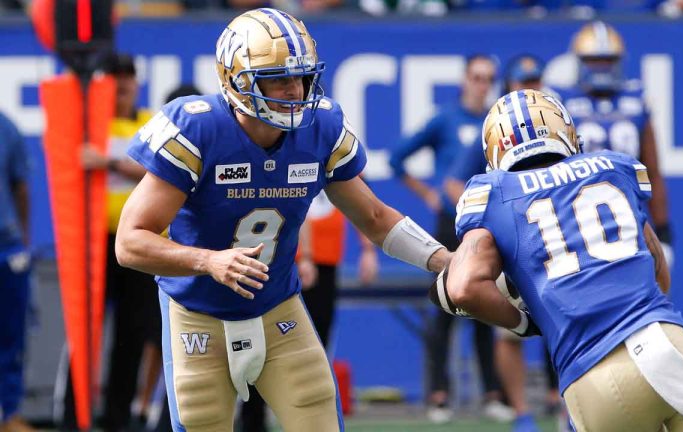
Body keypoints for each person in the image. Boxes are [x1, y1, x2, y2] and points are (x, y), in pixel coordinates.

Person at [114, 8, 450, 432]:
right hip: (197, 313)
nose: (294, 90)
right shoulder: (199, 129)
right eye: (277, 78)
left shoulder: (319, 128)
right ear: (236, 80)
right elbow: (129, 242)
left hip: (278, 308)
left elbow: (376, 217)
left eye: (302, 77)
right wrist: (209, 261)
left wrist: (447, 262)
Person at [430, 88, 683, 431]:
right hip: (663, 345)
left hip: (589, 379)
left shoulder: (492, 194)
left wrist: (524, 323)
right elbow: (659, 270)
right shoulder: (613, 167)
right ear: (566, 131)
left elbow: (462, 287)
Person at [389, 54, 511, 424]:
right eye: (476, 77)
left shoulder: (494, 122)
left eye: (488, 78)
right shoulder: (445, 119)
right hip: (451, 221)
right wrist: (429, 194)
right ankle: (439, 395)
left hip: (485, 224)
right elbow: (397, 158)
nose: (481, 85)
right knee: (444, 308)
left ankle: (492, 393)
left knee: (486, 304)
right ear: (464, 80)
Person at [443, 55, 548, 432]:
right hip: (517, 243)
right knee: (511, 330)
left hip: (555, 236)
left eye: (534, 80)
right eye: (523, 81)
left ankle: (566, 401)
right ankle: (521, 411)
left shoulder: (556, 116)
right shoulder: (497, 125)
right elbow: (455, 183)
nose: (529, 87)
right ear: (510, 84)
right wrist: (486, 226)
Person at [239, 191, 379, 432]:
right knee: (264, 342)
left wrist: (367, 249)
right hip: (284, 260)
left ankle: (303, 419)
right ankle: (253, 421)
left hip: (323, 262)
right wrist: (305, 255)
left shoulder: (335, 167)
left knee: (315, 344)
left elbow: (360, 202)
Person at [77, 53, 165, 432]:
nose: (123, 85)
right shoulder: (90, 124)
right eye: (115, 78)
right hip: (96, 242)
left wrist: (108, 163)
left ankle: (118, 419)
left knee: (133, 334)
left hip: (138, 241)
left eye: (128, 77)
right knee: (84, 332)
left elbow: (158, 170)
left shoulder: (151, 123)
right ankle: (75, 415)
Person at [555, 21, 673, 266]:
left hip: (629, 217)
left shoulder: (636, 100)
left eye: (607, 60)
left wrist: (662, 230)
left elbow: (652, 171)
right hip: (578, 220)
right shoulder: (562, 101)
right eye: (594, 60)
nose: (601, 67)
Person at [0, 111, 34, 432]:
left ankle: (8, 414)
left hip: (6, 248)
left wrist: (22, 242)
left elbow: (20, 188)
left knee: (10, 337)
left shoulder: (6, 127)